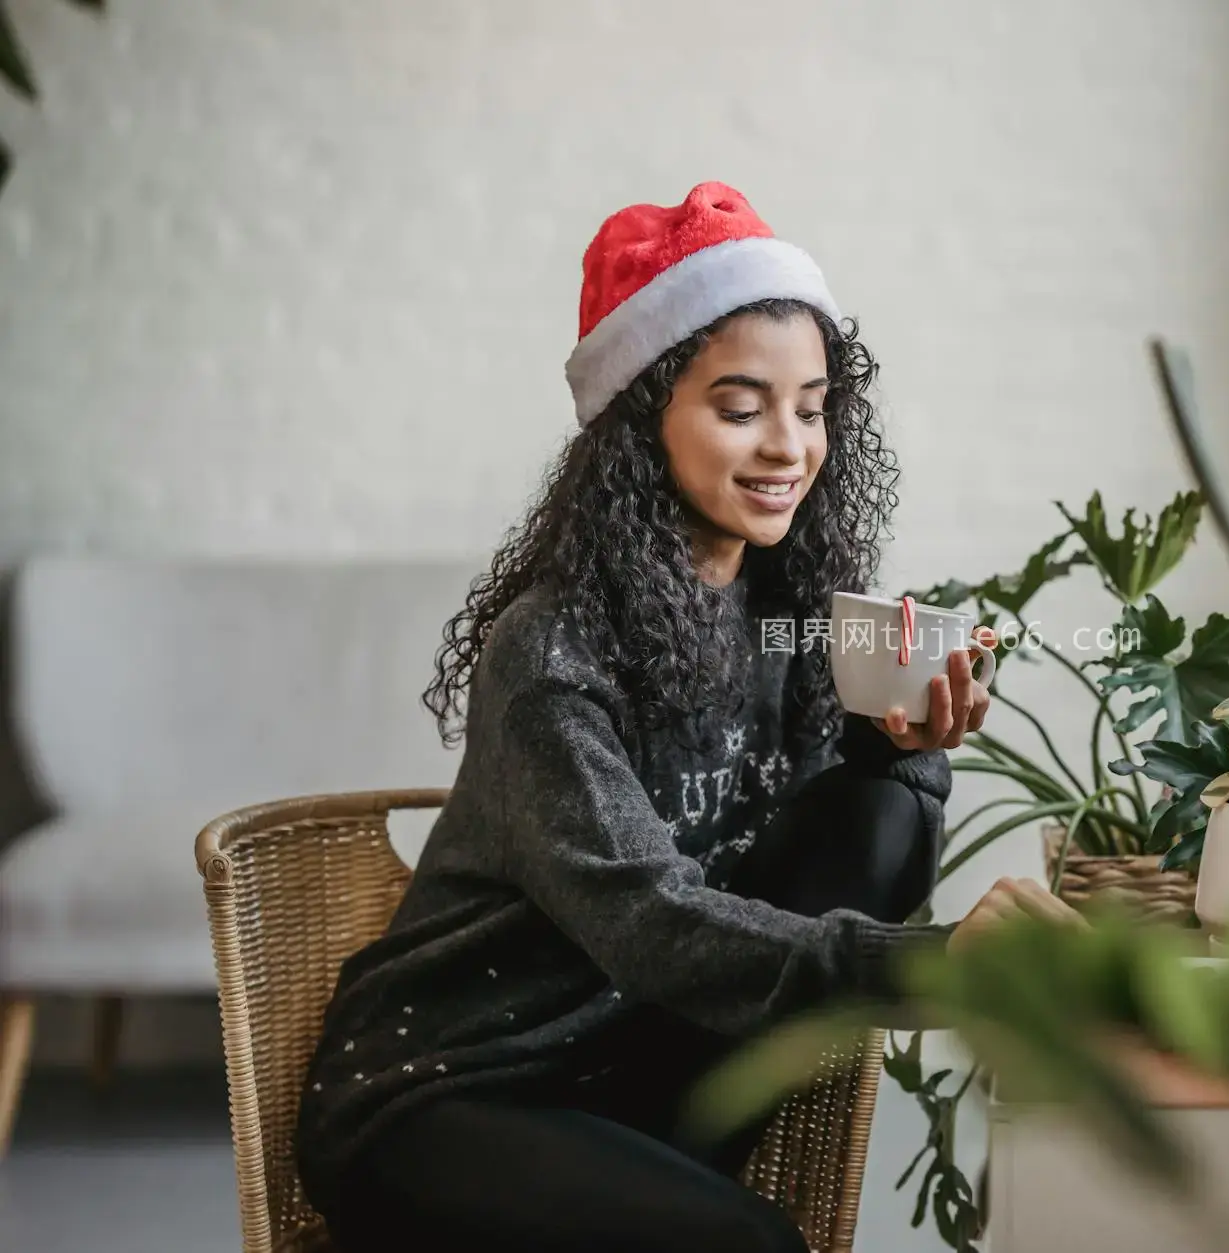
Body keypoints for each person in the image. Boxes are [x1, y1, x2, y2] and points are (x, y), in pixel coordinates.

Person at [292, 181, 1082, 1253]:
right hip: (453, 1087)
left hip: (636, 1052)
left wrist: (899, 750)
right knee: (745, 1243)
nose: (787, 446)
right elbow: (651, 918)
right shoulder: (548, 650)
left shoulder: (785, 614)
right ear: (642, 412)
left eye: (810, 408)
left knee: (879, 804)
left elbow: (834, 853)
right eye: (740, 405)